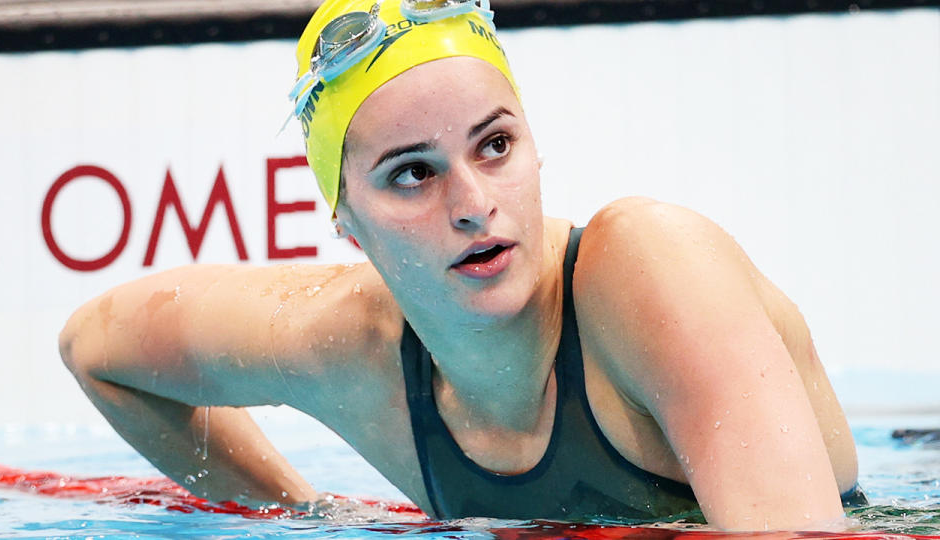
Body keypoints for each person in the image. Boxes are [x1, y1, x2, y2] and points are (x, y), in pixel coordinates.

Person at [58, 0, 862, 531]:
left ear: (536, 148)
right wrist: (304, 515)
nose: (475, 202)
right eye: (412, 172)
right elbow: (95, 352)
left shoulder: (652, 271)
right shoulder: (349, 348)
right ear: (345, 222)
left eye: (495, 144)